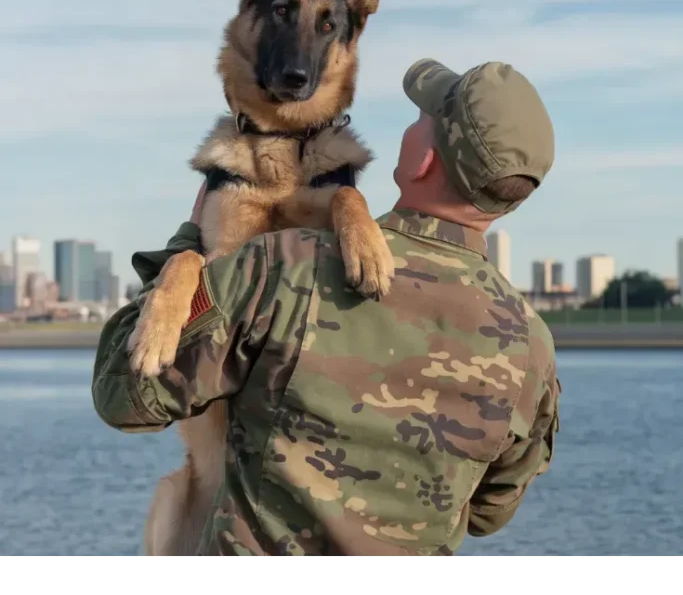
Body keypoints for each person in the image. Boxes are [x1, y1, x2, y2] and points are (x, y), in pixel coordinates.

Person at [92, 57, 561, 559]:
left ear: (424, 161)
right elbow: (490, 512)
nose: (408, 127)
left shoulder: (284, 267)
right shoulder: (530, 344)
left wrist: (186, 240)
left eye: (418, 120)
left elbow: (125, 396)